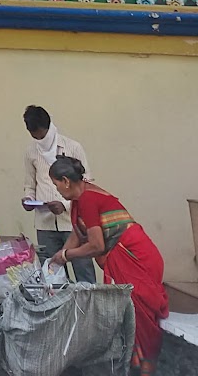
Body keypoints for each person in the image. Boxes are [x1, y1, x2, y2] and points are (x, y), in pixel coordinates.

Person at [49, 155, 169, 376]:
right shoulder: (80, 199)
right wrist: (58, 257)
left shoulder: (87, 200)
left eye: (56, 185)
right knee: (128, 312)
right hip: (127, 256)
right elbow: (79, 234)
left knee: (140, 313)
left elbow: (95, 245)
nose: (56, 190)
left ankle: (148, 366)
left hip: (135, 256)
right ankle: (136, 363)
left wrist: (66, 255)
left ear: (65, 181)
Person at [22, 105, 95, 283]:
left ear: (49, 127)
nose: (40, 139)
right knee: (52, 276)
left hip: (73, 223)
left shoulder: (73, 147)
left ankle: (89, 309)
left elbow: (87, 186)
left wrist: (65, 205)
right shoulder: (31, 151)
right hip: (45, 225)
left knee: (83, 272)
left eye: (42, 135)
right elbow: (29, 184)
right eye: (35, 136)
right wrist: (29, 200)